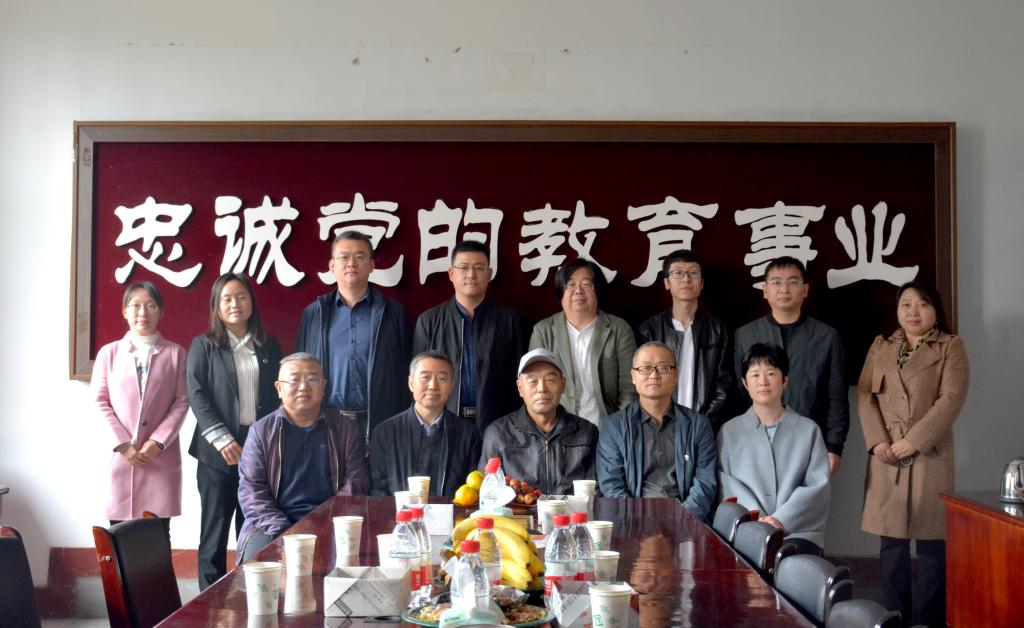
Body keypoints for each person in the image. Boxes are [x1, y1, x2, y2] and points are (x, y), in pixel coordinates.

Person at [858, 282, 969, 627]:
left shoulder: (951, 346)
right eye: (905, 304)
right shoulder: (881, 346)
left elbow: (951, 400)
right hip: (887, 455)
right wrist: (877, 442)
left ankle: (932, 621)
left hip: (929, 453)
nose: (913, 311)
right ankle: (895, 618)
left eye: (922, 304)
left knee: (933, 545)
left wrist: (915, 440)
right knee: (891, 545)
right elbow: (865, 396)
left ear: (936, 310)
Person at [186, 272, 282, 590]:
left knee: (252, 527)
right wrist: (222, 439)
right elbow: (197, 394)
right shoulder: (204, 345)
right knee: (214, 532)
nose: (234, 304)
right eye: (226, 299)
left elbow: (277, 395)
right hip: (217, 451)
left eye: (241, 297)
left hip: (257, 448)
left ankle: (248, 595)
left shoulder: (268, 345)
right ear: (217, 305)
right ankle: (207, 600)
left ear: (251, 302)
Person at [236, 353, 369, 562]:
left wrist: (323, 524)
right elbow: (251, 492)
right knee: (255, 573)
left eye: (312, 379)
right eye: (294, 380)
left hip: (332, 521)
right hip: (272, 525)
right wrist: (286, 532)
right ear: (279, 388)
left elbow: (356, 483)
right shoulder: (261, 432)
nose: (303, 386)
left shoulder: (347, 429)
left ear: (323, 387)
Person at [733, 256, 849, 475]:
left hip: (809, 442)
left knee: (808, 497)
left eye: (793, 282)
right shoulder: (745, 335)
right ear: (765, 290)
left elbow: (837, 398)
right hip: (755, 442)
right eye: (776, 282)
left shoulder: (827, 337)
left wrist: (835, 447)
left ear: (805, 290)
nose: (784, 289)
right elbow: (738, 395)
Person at [92, 281, 189, 537]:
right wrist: (124, 445)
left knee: (158, 537)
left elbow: (182, 401)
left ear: (161, 311)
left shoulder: (176, 353)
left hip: (160, 458)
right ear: (125, 311)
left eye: (151, 306)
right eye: (135, 306)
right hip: (120, 457)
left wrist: (157, 442)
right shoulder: (109, 353)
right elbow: (99, 401)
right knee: (119, 536)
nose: (142, 313)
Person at [295, 230, 411, 442]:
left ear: (371, 265)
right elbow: (300, 369)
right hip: (326, 424)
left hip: (381, 424)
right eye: (344, 257)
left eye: (360, 256)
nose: (351, 263)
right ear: (332, 265)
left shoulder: (393, 313)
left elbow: (406, 371)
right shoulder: (313, 314)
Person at [717, 343, 830, 555]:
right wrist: (757, 519)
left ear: (785, 380)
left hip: (798, 532)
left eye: (771, 373)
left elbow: (817, 486)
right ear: (745, 383)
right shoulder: (729, 431)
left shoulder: (809, 430)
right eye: (755, 375)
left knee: (792, 564)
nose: (763, 382)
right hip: (746, 529)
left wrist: (780, 519)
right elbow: (726, 484)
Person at [597, 342, 717, 521]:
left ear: (675, 375)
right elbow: (612, 486)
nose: (654, 375)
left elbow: (705, 485)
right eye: (645, 368)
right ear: (633, 376)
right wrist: (641, 524)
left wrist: (680, 522)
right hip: (632, 523)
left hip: (685, 522)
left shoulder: (698, 425)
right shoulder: (613, 427)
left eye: (663, 368)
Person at [413, 240, 524, 433]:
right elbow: (417, 379)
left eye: (479, 268)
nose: (471, 275)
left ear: (489, 274)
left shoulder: (509, 321)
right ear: (451, 274)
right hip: (443, 422)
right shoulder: (429, 321)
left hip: (498, 424)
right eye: (463, 267)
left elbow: (520, 378)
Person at [529, 258, 637, 427]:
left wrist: (617, 431)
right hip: (558, 430)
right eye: (570, 284)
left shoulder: (619, 330)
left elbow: (629, 389)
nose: (578, 291)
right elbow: (533, 388)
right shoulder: (543, 331)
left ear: (598, 291)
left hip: (607, 429)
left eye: (586, 284)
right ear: (561, 292)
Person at [478, 349, 599, 495]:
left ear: (563, 385)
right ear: (520, 388)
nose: (542, 388)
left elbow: (598, 490)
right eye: (532, 381)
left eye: (550, 380)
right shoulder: (498, 434)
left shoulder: (586, 432)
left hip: (572, 510)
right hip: (518, 510)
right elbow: (488, 493)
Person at [636, 249, 733, 429]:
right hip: (661, 426)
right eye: (678, 273)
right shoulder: (649, 330)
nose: (686, 279)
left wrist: (701, 423)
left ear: (701, 283)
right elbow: (643, 382)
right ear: (667, 282)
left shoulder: (718, 329)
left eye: (693, 273)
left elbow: (723, 385)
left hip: (705, 425)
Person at [369, 351, 481, 497]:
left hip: (452, 511)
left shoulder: (468, 434)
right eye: (425, 377)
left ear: (451, 385)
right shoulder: (385, 433)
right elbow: (378, 490)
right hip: (399, 511)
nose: (433, 386)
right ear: (411, 383)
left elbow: (472, 491)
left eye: (442, 378)